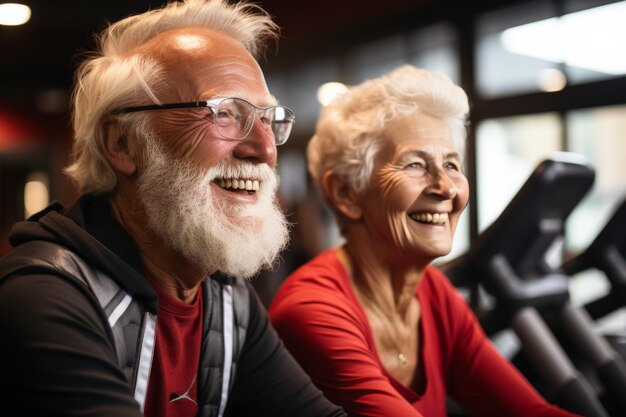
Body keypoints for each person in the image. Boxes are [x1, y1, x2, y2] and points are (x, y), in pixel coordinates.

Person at [0, 1, 346, 416]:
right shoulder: (42, 296)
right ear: (123, 144)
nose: (265, 149)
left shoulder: (226, 299)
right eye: (224, 113)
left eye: (267, 119)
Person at [269, 65, 582, 417]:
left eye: (451, 165)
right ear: (346, 193)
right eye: (415, 164)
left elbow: (530, 412)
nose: (446, 187)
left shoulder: (434, 294)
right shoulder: (312, 311)